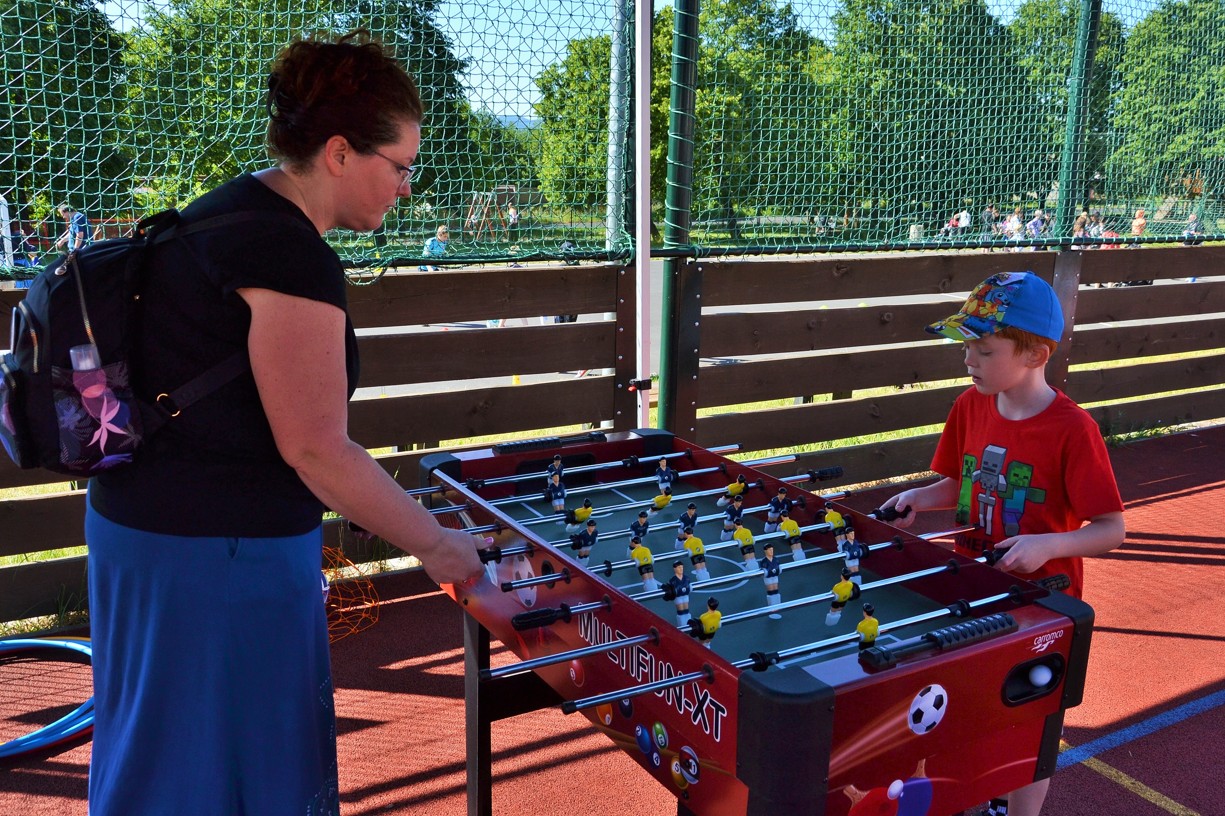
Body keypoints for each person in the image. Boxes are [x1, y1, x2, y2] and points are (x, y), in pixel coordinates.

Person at [84, 32, 486, 816]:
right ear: (339, 152)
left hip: (138, 528)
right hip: (218, 555)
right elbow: (315, 448)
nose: (406, 187)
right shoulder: (288, 254)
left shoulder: (221, 211)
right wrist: (439, 546)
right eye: (399, 165)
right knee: (236, 775)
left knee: (152, 755)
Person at [878, 270, 1124, 816]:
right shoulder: (969, 406)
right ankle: (983, 795)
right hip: (972, 594)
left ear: (1036, 355)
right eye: (966, 346)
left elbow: (1111, 528)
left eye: (983, 350)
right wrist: (919, 497)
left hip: (1040, 608)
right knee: (969, 708)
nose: (968, 360)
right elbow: (960, 483)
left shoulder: (1073, 429)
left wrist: (1047, 545)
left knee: (1030, 724)